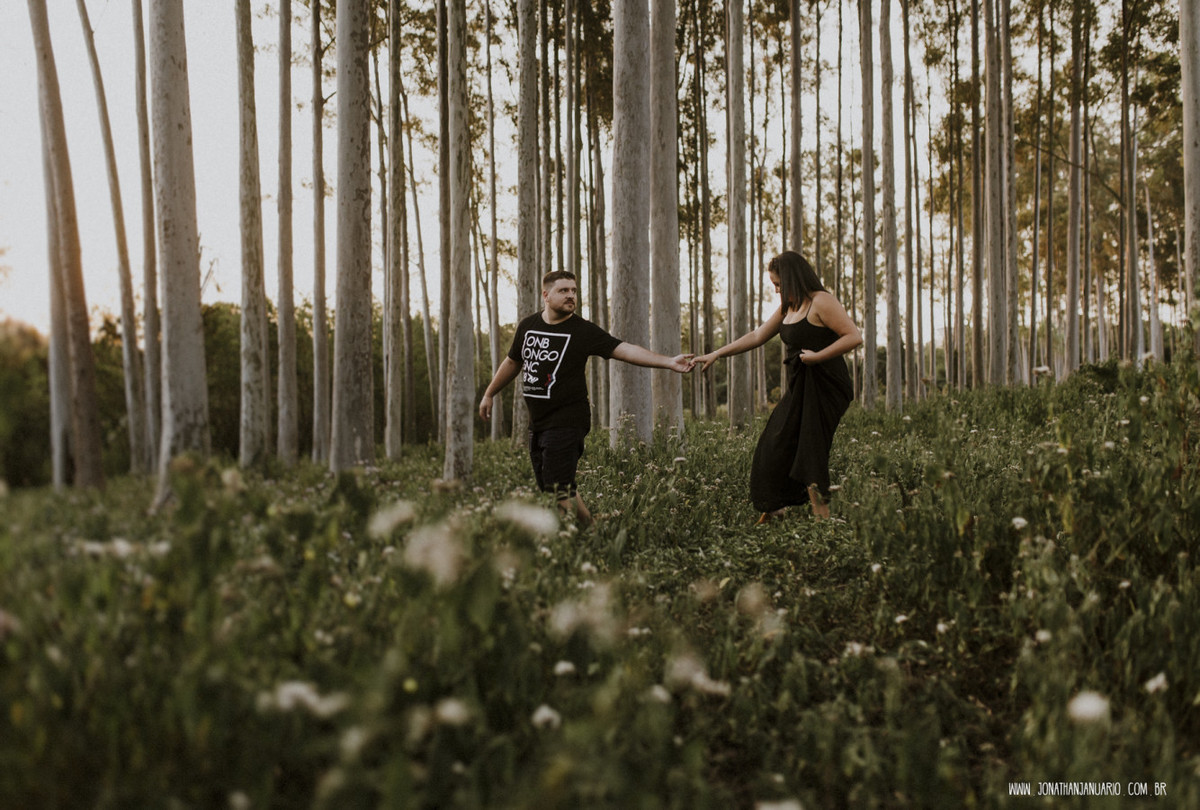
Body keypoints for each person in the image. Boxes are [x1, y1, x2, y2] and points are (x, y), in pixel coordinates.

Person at [480, 270, 693, 526]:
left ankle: (570, 545)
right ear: (546, 295)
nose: (571, 296)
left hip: (569, 419)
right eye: (564, 290)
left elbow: (623, 349)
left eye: (574, 290)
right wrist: (490, 392)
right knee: (554, 484)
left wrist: (668, 361)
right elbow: (513, 362)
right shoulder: (528, 326)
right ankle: (591, 528)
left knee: (557, 487)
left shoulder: (582, 331)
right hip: (538, 422)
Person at [694, 251, 862, 521]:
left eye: (779, 285)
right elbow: (757, 335)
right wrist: (717, 353)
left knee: (810, 448)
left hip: (827, 386)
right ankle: (775, 509)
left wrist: (817, 357)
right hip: (801, 384)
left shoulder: (821, 302)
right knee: (775, 442)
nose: (776, 290)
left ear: (794, 279)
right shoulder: (789, 307)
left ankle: (823, 520)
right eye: (774, 285)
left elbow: (853, 336)